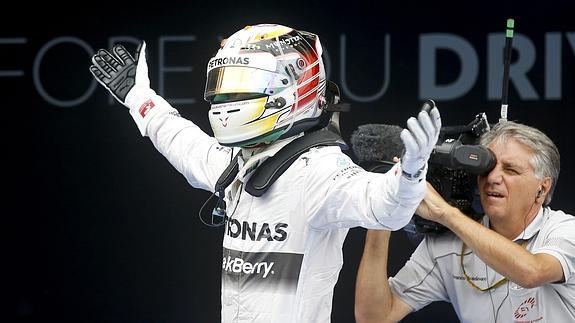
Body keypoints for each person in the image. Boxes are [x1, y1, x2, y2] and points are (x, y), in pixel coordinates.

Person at [89, 23, 441, 322]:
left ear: (293, 85)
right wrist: (140, 99)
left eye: (242, 82)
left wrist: (410, 174)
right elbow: (185, 145)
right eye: (226, 83)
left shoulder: (318, 170)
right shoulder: (241, 163)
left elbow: (385, 207)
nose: (226, 98)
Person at [355, 121, 575, 323]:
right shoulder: (449, 243)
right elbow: (373, 317)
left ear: (542, 188)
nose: (492, 178)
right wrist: (385, 211)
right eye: (486, 168)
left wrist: (445, 213)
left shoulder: (565, 230)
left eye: (510, 170)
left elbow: (532, 272)